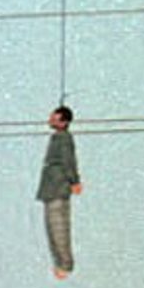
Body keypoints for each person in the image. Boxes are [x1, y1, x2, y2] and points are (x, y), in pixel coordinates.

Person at [37, 106, 82, 278]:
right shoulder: (57, 138)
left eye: (54, 119)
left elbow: (68, 162)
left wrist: (74, 181)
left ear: (64, 122)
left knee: (59, 228)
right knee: (52, 228)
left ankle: (65, 264)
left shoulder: (64, 139)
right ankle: (60, 263)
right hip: (51, 187)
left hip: (58, 187)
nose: (50, 121)